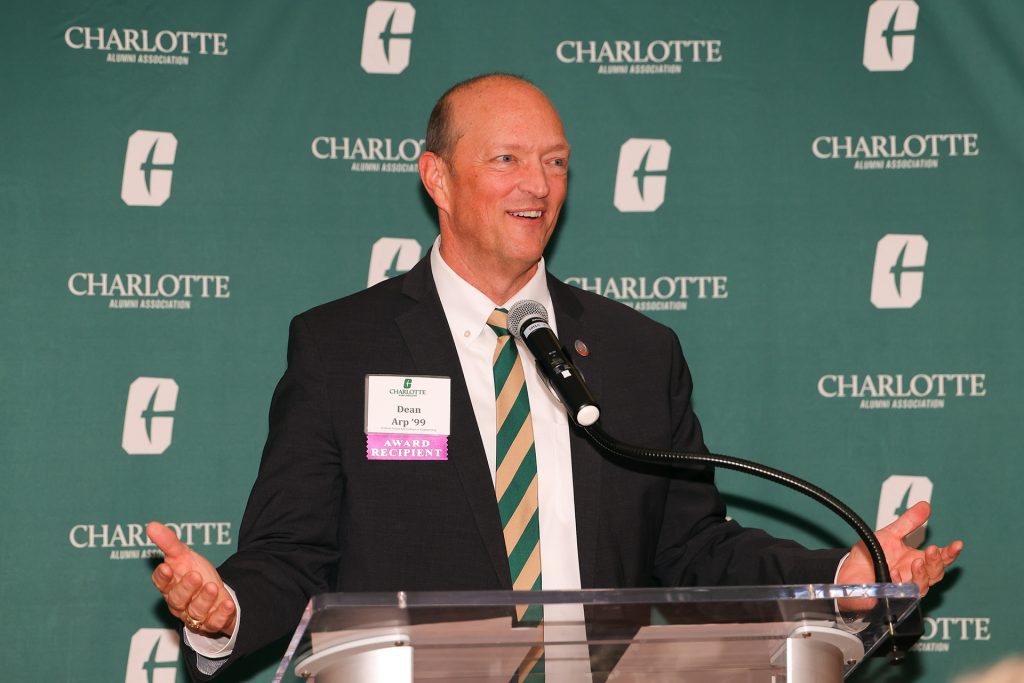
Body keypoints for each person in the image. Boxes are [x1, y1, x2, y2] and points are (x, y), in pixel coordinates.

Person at [147, 74, 962, 680]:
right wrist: (226, 611)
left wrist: (841, 576)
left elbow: (694, 549)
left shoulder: (639, 351)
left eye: (555, 163)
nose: (536, 185)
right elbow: (292, 551)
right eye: (506, 159)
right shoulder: (341, 346)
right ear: (437, 178)